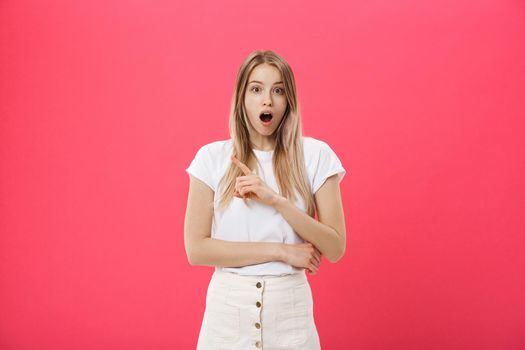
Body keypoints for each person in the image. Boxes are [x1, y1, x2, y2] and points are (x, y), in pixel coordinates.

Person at [184, 49, 347, 350]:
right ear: (242, 99)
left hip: (291, 316)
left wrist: (276, 200)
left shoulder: (315, 156)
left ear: (289, 101)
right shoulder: (211, 158)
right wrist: (282, 252)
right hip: (226, 316)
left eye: (278, 91)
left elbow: (335, 247)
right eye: (256, 89)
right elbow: (196, 249)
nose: (267, 100)